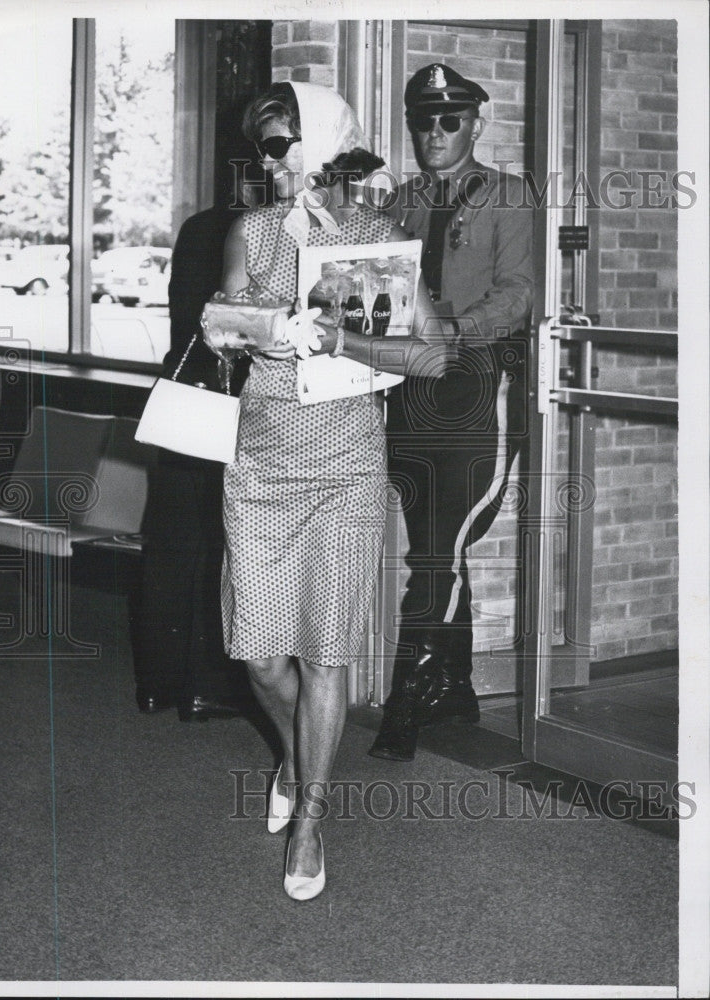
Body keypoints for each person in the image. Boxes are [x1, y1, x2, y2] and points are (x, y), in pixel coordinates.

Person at [217, 81, 452, 900]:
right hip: (262, 470)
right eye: (265, 147)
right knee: (258, 655)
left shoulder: (377, 237)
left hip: (348, 467)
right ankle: (293, 752)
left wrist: (348, 336)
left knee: (325, 657)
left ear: (322, 145)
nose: (271, 161)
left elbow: (433, 355)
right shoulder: (250, 232)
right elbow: (215, 325)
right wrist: (266, 328)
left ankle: (310, 819)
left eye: (285, 144)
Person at [369, 63, 534, 762]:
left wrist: (452, 335)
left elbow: (519, 293)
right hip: (412, 393)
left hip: (474, 385)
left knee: (440, 551)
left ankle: (406, 698)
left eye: (449, 120)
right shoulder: (398, 202)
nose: (432, 133)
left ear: (475, 123)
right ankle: (456, 687)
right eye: (422, 121)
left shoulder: (508, 196)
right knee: (434, 544)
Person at [129, 170, 258, 722]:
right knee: (223, 543)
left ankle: (158, 683)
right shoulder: (261, 233)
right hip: (233, 405)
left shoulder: (197, 228)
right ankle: (210, 684)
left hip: (184, 399)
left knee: (172, 542)